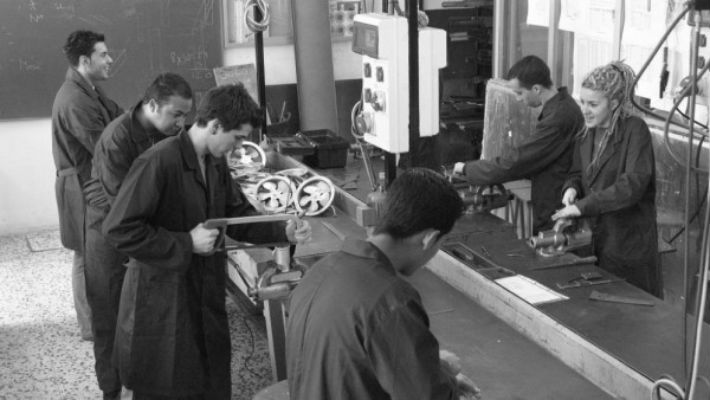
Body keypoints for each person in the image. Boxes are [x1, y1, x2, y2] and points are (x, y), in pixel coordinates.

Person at [103, 83, 312, 399]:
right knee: (168, 384)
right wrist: (186, 242)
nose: (239, 147)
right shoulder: (158, 162)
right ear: (214, 125)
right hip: (163, 298)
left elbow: (235, 213)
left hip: (205, 291)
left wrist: (282, 231)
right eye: (237, 138)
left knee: (210, 379)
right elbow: (119, 229)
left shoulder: (215, 162)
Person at [286, 168, 480, 400]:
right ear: (428, 238)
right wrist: (445, 380)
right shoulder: (390, 300)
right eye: (441, 242)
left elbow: (352, 361)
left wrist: (435, 369)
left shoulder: (321, 270)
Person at [83, 72, 193, 400]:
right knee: (109, 318)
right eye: (176, 114)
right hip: (109, 236)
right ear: (153, 105)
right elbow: (125, 210)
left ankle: (145, 387)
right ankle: (111, 391)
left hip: (144, 234)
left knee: (143, 317)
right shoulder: (118, 137)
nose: (181, 123)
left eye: (186, 115)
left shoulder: (168, 133)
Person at [552, 61, 661, 297]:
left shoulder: (635, 130)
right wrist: (570, 189)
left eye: (593, 104)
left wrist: (582, 208)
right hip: (594, 240)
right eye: (582, 102)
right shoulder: (586, 132)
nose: (585, 110)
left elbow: (632, 185)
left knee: (631, 314)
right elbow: (576, 173)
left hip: (626, 242)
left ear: (613, 103)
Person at [453, 55, 584, 234]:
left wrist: (469, 170)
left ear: (536, 89)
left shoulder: (559, 117)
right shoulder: (560, 108)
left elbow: (519, 160)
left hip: (557, 206)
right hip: (550, 198)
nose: (518, 99)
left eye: (520, 93)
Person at [51, 30, 123, 341]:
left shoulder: (88, 89)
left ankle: (96, 320)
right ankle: (91, 327)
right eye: (103, 54)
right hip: (80, 187)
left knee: (92, 253)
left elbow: (118, 120)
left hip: (88, 183)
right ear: (85, 60)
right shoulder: (75, 99)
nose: (110, 59)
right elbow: (105, 147)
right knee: (85, 255)